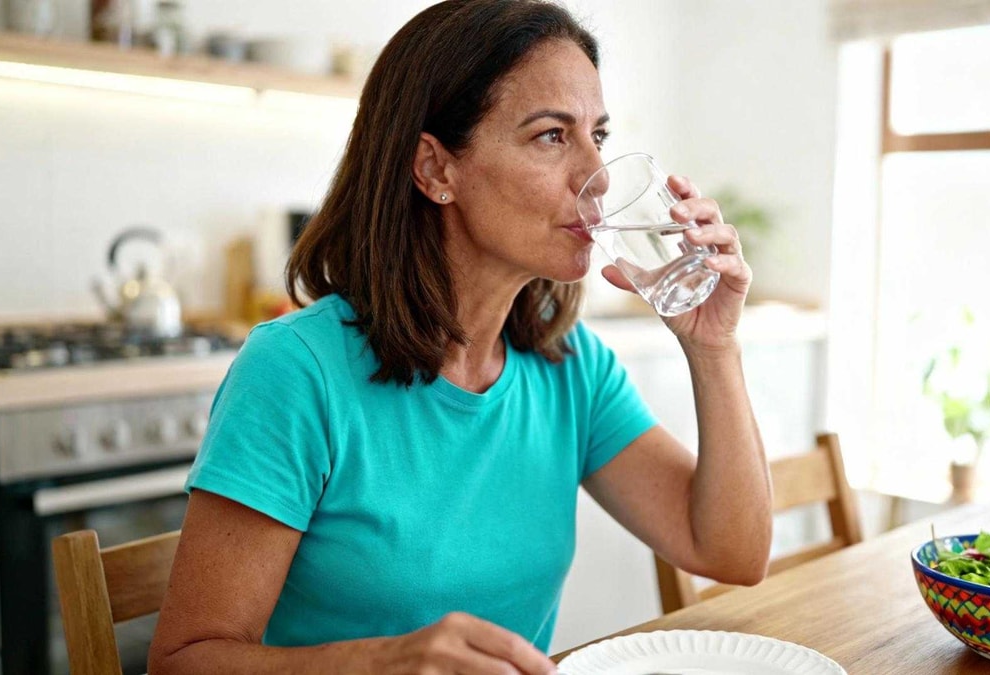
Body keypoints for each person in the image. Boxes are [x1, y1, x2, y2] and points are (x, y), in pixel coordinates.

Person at [148, 1, 772, 673]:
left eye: (598, 135)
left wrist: (713, 349)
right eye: (551, 136)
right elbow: (182, 661)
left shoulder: (568, 366)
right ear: (436, 169)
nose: (597, 177)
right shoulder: (297, 372)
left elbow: (730, 552)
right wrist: (385, 661)